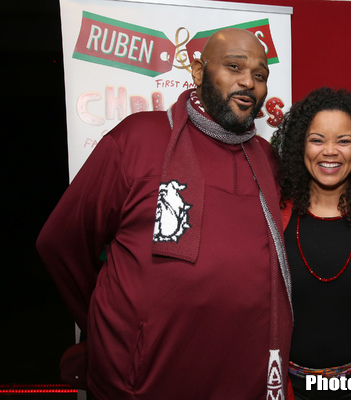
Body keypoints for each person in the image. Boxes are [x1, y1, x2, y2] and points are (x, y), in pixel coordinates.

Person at [36, 28, 292, 400]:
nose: (248, 82)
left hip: (244, 379)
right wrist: (109, 320)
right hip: (144, 381)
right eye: (234, 66)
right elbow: (62, 242)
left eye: (259, 75)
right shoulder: (138, 137)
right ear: (200, 73)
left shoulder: (267, 160)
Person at [271, 87, 351, 399]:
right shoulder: (273, 214)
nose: (330, 151)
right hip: (291, 388)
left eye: (343, 140)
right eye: (317, 140)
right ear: (300, 146)